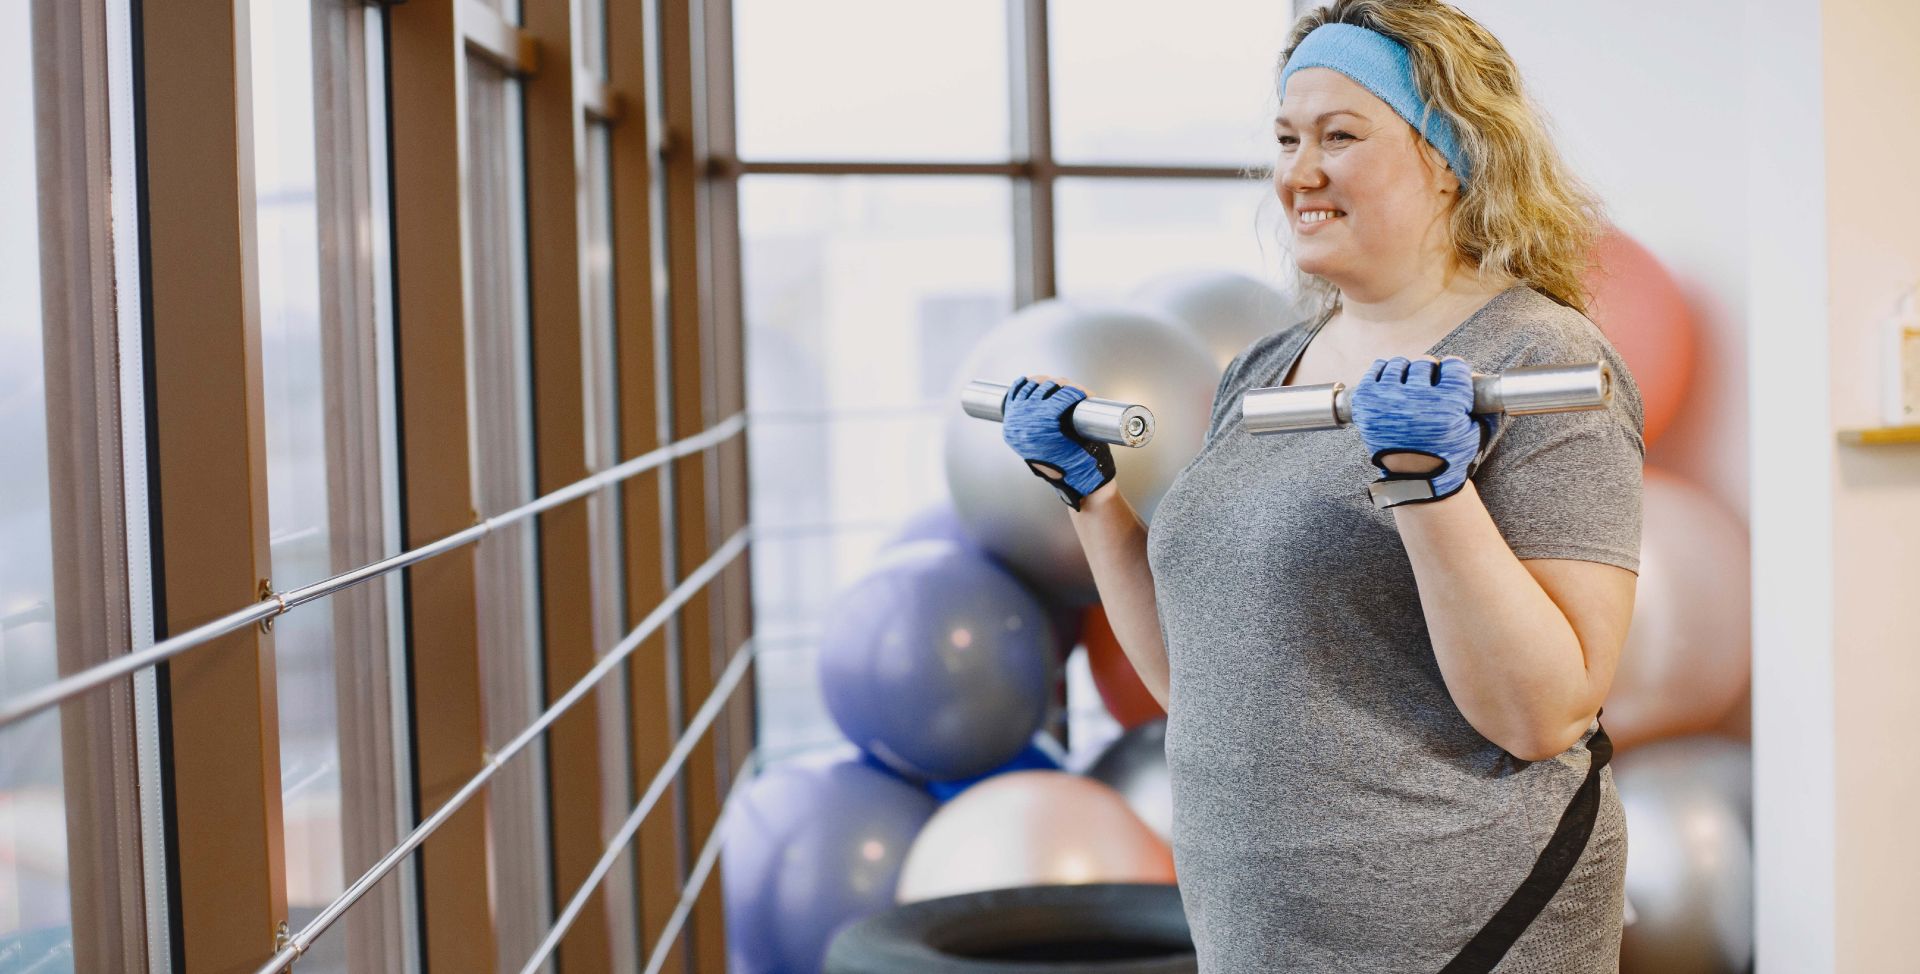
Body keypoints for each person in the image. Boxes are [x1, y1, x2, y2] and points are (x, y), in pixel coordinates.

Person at [998, 1, 1643, 970]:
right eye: (1289, 137)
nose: (1300, 171)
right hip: (1262, 935)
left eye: (1341, 136)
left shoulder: (1537, 355)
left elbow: (1542, 711)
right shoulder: (1268, 366)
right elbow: (1198, 676)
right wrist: (1091, 494)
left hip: (1467, 924)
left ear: (1448, 154)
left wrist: (1430, 488)